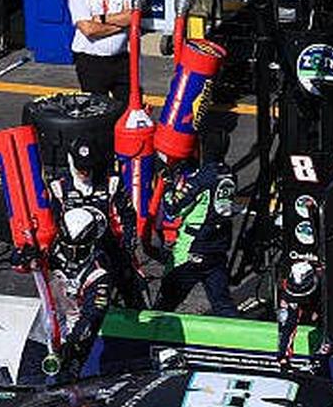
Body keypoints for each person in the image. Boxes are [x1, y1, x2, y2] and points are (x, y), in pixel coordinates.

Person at [16, 207, 114, 385]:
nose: (73, 254)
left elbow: (93, 315)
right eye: (68, 248)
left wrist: (73, 344)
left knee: (67, 385)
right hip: (42, 327)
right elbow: (19, 262)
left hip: (75, 332)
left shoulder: (100, 271)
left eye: (80, 249)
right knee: (27, 380)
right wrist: (23, 257)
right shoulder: (48, 248)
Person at [49, 136, 145, 308]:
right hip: (74, 255)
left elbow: (128, 214)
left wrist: (129, 245)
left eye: (88, 168)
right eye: (80, 168)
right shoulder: (58, 186)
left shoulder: (111, 181)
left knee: (131, 286)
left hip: (107, 247)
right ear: (71, 160)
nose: (84, 172)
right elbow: (52, 223)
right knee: (66, 300)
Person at [152, 161, 238, 317]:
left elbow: (172, 208)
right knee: (223, 304)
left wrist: (168, 184)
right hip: (218, 248)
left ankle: (149, 335)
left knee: (167, 300)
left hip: (194, 248)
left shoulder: (202, 179)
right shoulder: (229, 173)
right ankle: (240, 338)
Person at [68, 0, 134, 104]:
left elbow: (133, 16)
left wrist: (102, 19)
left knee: (129, 107)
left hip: (122, 60)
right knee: (97, 110)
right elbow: (89, 30)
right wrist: (122, 26)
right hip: (91, 62)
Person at [275, 260, 333, 375]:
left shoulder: (330, 283)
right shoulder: (289, 291)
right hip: (312, 302)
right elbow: (287, 325)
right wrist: (283, 357)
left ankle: (318, 361)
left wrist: (317, 359)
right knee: (288, 318)